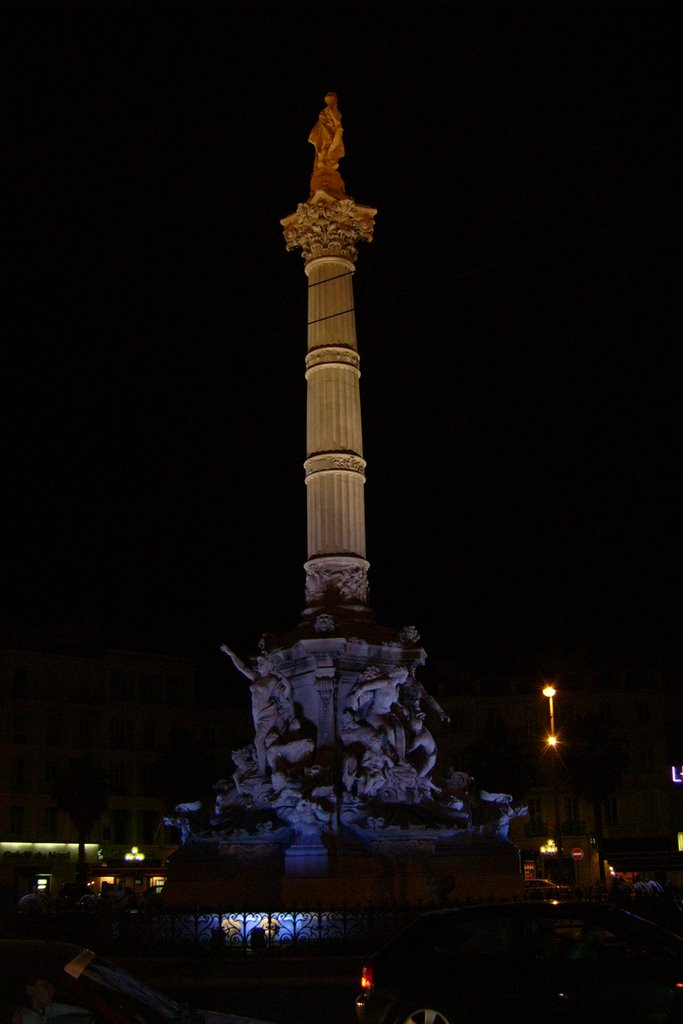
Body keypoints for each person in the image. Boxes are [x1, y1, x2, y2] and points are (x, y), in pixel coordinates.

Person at [220, 644, 297, 775]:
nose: (258, 664)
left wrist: (286, 683)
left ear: (269, 666)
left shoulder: (272, 680)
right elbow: (242, 667)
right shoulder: (256, 677)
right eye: (259, 662)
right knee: (261, 741)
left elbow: (284, 695)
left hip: (268, 714)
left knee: (258, 740)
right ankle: (266, 765)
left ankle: (261, 771)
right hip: (257, 713)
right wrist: (231, 654)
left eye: (261, 662)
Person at [13, 976, 89, 1024]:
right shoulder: (29, 1018)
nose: (53, 991)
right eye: (45, 987)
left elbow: (61, 1009)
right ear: (31, 990)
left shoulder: (42, 1010)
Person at [308, 92, 344, 173]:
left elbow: (337, 121)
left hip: (334, 131)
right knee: (326, 144)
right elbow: (324, 123)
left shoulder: (333, 110)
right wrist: (329, 132)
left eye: (335, 100)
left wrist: (337, 127)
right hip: (327, 131)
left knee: (331, 146)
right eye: (333, 100)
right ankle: (322, 162)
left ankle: (326, 162)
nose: (335, 102)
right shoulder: (325, 111)